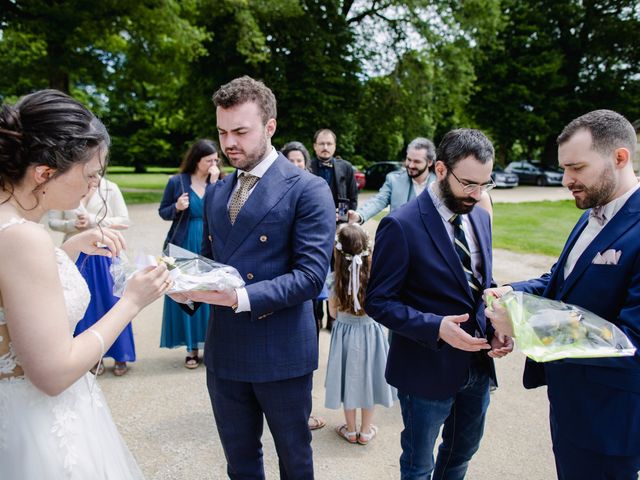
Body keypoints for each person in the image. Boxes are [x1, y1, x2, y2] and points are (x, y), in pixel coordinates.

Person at [0, 89, 171, 479]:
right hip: (40, 432)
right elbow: (53, 373)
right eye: (90, 175)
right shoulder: (23, 238)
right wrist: (131, 302)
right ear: (44, 173)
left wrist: (70, 251)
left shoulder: (13, 221)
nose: (93, 186)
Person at [173, 76, 335, 478]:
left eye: (240, 132)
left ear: (270, 126)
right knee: (239, 463)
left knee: (294, 460)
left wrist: (238, 297)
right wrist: (185, 287)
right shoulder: (218, 190)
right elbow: (211, 263)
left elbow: (311, 277)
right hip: (225, 351)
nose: (229, 143)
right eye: (222, 132)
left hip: (281, 352)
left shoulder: (308, 189)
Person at [485, 110, 640, 480]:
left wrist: (523, 322)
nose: (566, 180)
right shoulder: (591, 213)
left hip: (610, 423)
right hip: (571, 408)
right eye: (564, 168)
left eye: (577, 167)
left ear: (620, 158)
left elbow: (630, 342)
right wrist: (512, 292)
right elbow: (560, 280)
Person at [365, 128, 513, 479]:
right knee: (419, 465)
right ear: (441, 169)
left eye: (485, 184)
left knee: (461, 454)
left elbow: (480, 284)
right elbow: (379, 302)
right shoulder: (400, 225)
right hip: (425, 367)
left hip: (477, 365)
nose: (477, 195)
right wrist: (435, 327)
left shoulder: (479, 215)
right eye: (469, 184)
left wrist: (498, 326)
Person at [48, 176, 133, 376]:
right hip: (75, 252)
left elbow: (124, 220)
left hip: (105, 251)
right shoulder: (65, 185)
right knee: (84, 304)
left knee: (112, 301)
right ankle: (92, 356)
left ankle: (122, 354)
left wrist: (94, 221)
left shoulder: (110, 188)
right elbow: (53, 221)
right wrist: (72, 224)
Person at [324, 223, 395, 445]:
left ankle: (351, 429)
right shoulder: (376, 278)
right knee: (369, 378)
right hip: (371, 334)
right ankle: (365, 431)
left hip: (345, 334)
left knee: (349, 379)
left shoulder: (335, 280)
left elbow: (333, 312)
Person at [159, 139, 221, 368]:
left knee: (212, 291)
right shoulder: (177, 182)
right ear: (197, 160)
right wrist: (176, 208)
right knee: (187, 292)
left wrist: (214, 184)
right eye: (209, 160)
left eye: (216, 160)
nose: (214, 164)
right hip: (183, 243)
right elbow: (163, 212)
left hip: (210, 243)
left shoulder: (220, 182)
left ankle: (212, 344)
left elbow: (221, 213)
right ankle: (191, 347)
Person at [282, 140, 328, 433]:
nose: (296, 164)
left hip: (305, 284)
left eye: (300, 160)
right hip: (281, 283)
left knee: (303, 351)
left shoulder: (312, 190)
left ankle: (304, 410)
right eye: (291, 160)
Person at [349, 137, 494, 224]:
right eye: (408, 159)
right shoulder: (393, 179)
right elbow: (378, 200)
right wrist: (360, 215)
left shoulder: (443, 183)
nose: (410, 165)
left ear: (430, 162)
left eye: (417, 161)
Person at [309, 128, 358, 212]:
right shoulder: (307, 167)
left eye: (329, 144)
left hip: (340, 219)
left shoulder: (346, 167)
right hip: (313, 218)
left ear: (334, 146)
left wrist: (343, 217)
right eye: (321, 144)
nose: (325, 147)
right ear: (315, 146)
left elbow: (352, 198)